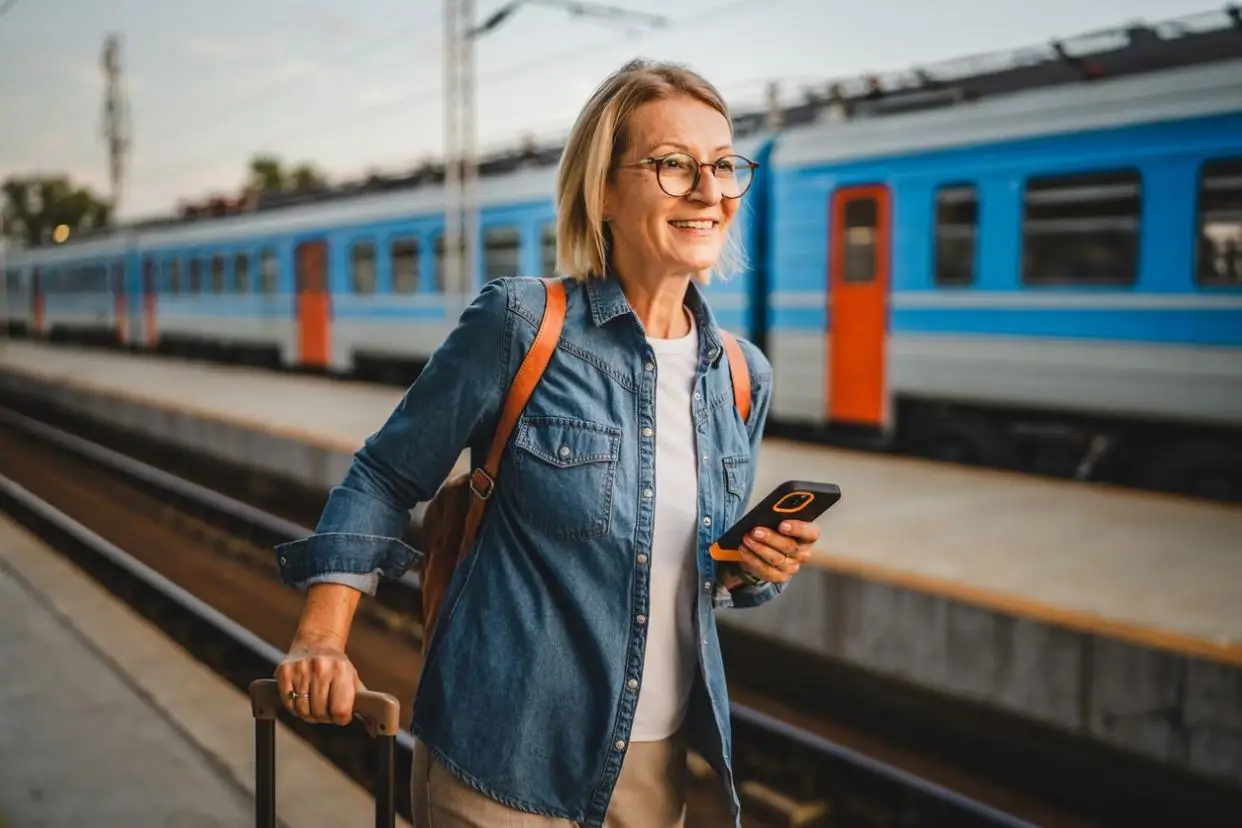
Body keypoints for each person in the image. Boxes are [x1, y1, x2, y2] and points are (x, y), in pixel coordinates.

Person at [271, 58, 820, 828]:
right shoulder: (522, 326)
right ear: (602, 190)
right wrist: (320, 639)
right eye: (673, 165)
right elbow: (385, 477)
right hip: (501, 770)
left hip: (653, 779)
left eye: (725, 165)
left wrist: (754, 567)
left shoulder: (739, 376)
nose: (710, 190)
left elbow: (696, 571)